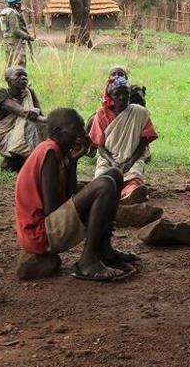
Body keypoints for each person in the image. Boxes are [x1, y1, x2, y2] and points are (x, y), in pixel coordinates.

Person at [15, 108, 132, 281]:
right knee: (105, 185)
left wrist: (74, 160)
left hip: (51, 225)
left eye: (82, 127)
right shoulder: (49, 151)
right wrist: (92, 212)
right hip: (40, 234)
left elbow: (68, 196)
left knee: (115, 173)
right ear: (57, 132)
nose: (83, 134)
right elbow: (52, 209)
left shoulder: (61, 152)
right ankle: (87, 262)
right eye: (76, 128)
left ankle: (104, 250)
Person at [88, 77, 157, 203]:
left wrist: (130, 161)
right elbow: (100, 146)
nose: (122, 97)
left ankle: (127, 196)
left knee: (134, 177)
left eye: (125, 93)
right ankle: (113, 196)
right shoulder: (101, 115)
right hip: (108, 158)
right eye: (117, 94)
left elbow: (144, 142)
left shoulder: (139, 113)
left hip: (133, 157)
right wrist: (113, 163)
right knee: (101, 178)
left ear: (130, 95)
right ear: (111, 96)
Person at [0, 66, 46, 171]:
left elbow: (39, 114)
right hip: (1, 134)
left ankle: (23, 158)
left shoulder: (29, 93)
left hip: (18, 132)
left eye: (25, 75)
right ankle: (26, 156)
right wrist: (51, 120)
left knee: (40, 126)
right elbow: (24, 112)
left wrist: (30, 95)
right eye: (19, 75)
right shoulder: (1, 94)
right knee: (29, 121)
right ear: (8, 80)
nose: (23, 77)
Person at [0, 0, 33, 68]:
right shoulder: (12, 13)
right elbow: (16, 31)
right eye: (19, 2)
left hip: (9, 42)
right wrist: (28, 37)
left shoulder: (6, 11)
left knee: (10, 64)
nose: (21, 4)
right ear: (16, 4)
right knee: (19, 64)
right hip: (16, 43)